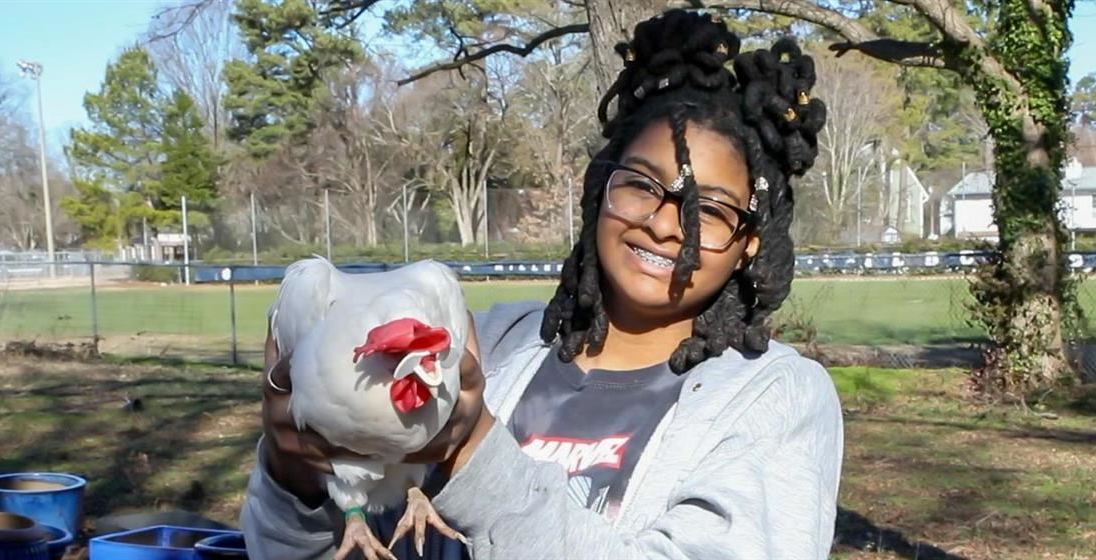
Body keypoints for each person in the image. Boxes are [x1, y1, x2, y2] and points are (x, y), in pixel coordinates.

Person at [241, 10, 841, 559]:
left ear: (749, 244)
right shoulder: (493, 343)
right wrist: (298, 480)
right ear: (600, 187)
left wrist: (473, 452)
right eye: (641, 184)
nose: (664, 225)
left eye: (708, 210)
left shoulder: (777, 399)